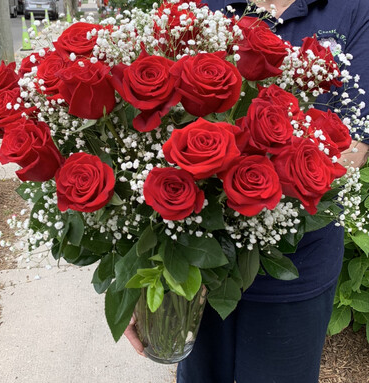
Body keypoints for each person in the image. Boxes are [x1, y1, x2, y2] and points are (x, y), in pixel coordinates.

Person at [124, 0, 369, 382]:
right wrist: (131, 286)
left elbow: (353, 146)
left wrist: (256, 199)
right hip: (196, 264)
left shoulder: (352, 9)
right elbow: (149, 133)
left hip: (298, 264)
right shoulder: (206, 6)